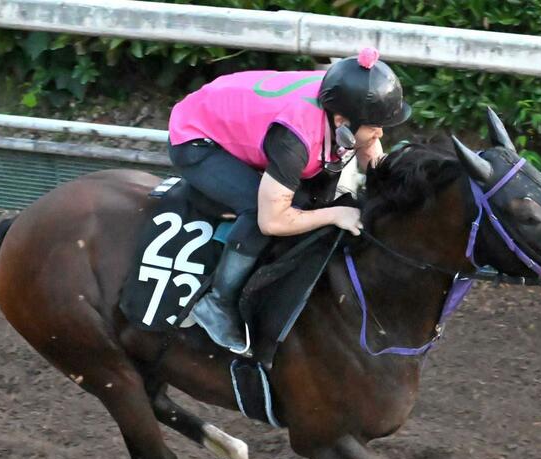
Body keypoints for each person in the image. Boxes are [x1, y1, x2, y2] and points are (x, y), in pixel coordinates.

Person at [167, 47, 411, 355]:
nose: (379, 132)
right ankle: (217, 304)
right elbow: (272, 221)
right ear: (342, 122)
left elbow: (371, 155)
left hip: (238, 112)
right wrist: (335, 214)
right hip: (197, 136)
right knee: (259, 210)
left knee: (313, 196)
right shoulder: (294, 140)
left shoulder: (345, 104)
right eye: (374, 125)